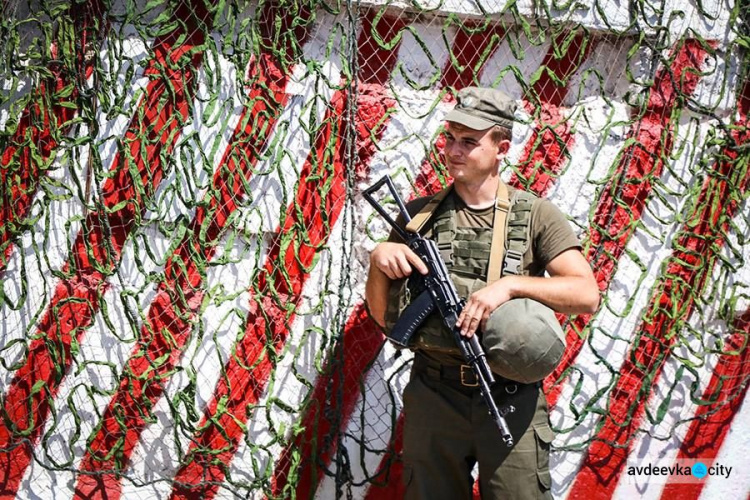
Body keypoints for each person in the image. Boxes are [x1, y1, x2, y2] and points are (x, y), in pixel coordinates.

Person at [364, 87, 600, 499]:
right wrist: (378, 261)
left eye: (469, 142)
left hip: (509, 395)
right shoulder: (418, 216)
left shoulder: (535, 215)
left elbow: (585, 294)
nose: (454, 150)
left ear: (501, 147)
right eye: (450, 138)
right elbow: (384, 319)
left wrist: (508, 287)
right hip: (434, 392)